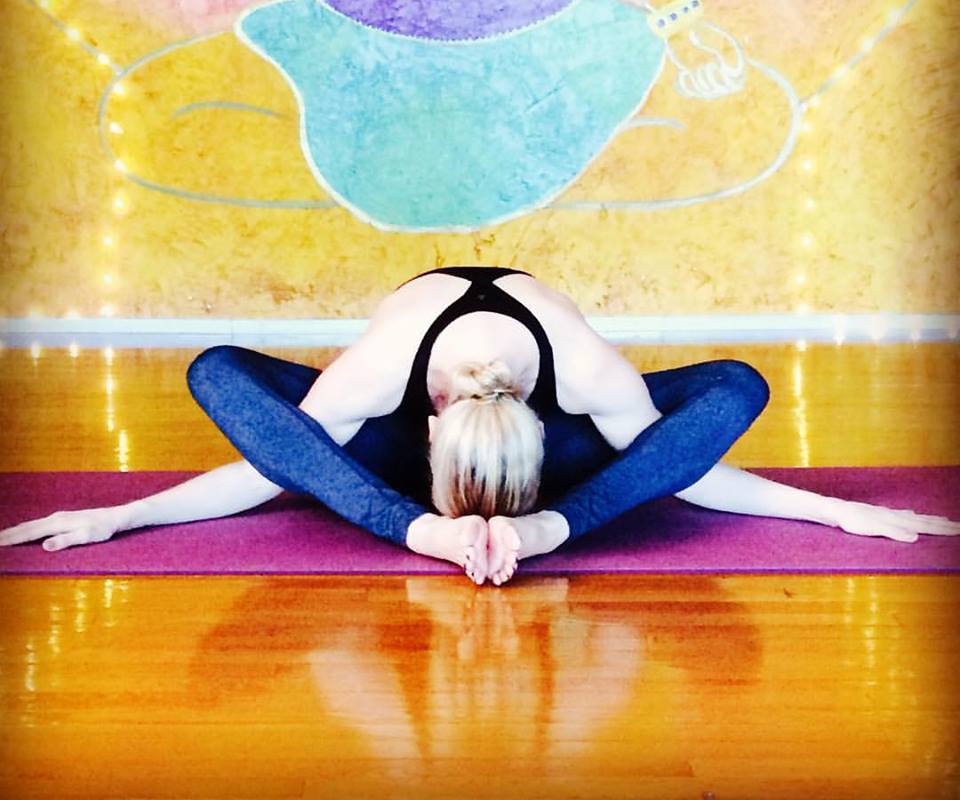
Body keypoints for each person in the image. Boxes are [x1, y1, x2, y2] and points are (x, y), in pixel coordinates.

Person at [2, 267, 958, 585]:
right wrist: (119, 516)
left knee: (734, 386)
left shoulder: (585, 372)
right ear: (430, 433)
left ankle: (544, 522)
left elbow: (686, 466)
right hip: (411, 459)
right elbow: (274, 463)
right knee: (220, 373)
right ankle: (430, 524)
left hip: (548, 467)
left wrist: (835, 513)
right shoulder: (382, 372)